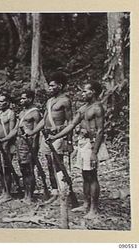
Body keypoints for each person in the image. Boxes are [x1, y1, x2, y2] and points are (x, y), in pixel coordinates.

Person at [48, 82, 109, 219]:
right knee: (85, 174)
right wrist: (56, 136)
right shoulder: (83, 108)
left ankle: (94, 209)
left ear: (93, 92)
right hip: (82, 143)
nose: (82, 94)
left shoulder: (97, 108)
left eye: (85, 91)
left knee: (92, 175)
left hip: (92, 144)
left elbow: (100, 131)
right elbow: (71, 125)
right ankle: (86, 204)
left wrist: (94, 153)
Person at [26, 71, 73, 196]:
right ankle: (55, 191)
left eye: (53, 86)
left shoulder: (65, 101)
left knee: (58, 164)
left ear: (60, 86)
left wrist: (69, 141)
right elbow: (43, 120)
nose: (50, 88)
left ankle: (63, 192)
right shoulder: (49, 101)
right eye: (50, 86)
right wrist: (32, 132)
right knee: (49, 163)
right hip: (47, 136)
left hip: (58, 136)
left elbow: (70, 122)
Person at [0, 90, 41, 204]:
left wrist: (34, 148)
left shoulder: (35, 113)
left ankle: (30, 195)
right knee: (23, 168)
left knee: (28, 169)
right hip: (20, 142)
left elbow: (36, 133)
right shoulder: (22, 113)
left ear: (30, 99)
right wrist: (5, 139)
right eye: (21, 99)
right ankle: (26, 194)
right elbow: (15, 129)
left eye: (24, 98)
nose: (21, 101)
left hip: (29, 144)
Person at [0, 93, 16, 202]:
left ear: (7, 102)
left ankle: (8, 193)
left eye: (3, 101)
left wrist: (6, 142)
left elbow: (12, 131)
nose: (0, 103)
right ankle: (3, 191)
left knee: (6, 168)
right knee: (0, 167)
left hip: (6, 144)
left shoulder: (10, 114)